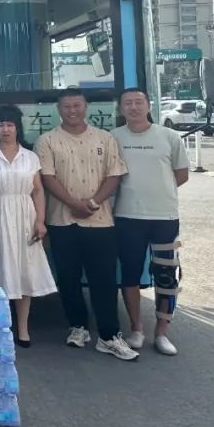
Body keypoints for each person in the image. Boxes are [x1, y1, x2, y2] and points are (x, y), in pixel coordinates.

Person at [36, 88, 137, 361]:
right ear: (58, 110)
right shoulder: (47, 140)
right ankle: (77, 327)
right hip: (61, 221)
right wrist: (73, 203)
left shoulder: (105, 138)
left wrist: (92, 203)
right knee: (68, 278)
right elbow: (48, 178)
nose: (72, 111)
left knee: (104, 279)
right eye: (66, 106)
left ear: (85, 107)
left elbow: (114, 175)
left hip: (100, 221)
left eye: (77, 105)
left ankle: (109, 335)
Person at [112, 87, 189, 356]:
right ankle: (137, 329)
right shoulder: (114, 137)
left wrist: (157, 191)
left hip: (164, 217)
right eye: (128, 103)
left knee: (166, 275)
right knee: (130, 273)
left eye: (138, 102)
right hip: (127, 216)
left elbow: (181, 174)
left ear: (148, 105)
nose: (133, 107)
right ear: (121, 108)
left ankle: (162, 332)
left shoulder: (168, 136)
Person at [0, 105, 56, 347]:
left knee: (26, 270)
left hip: (25, 214)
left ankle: (23, 328)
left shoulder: (30, 156)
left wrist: (40, 220)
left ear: (17, 127)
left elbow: (38, 190)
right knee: (1, 269)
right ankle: (2, 326)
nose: (5, 129)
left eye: (10, 124)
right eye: (0, 124)